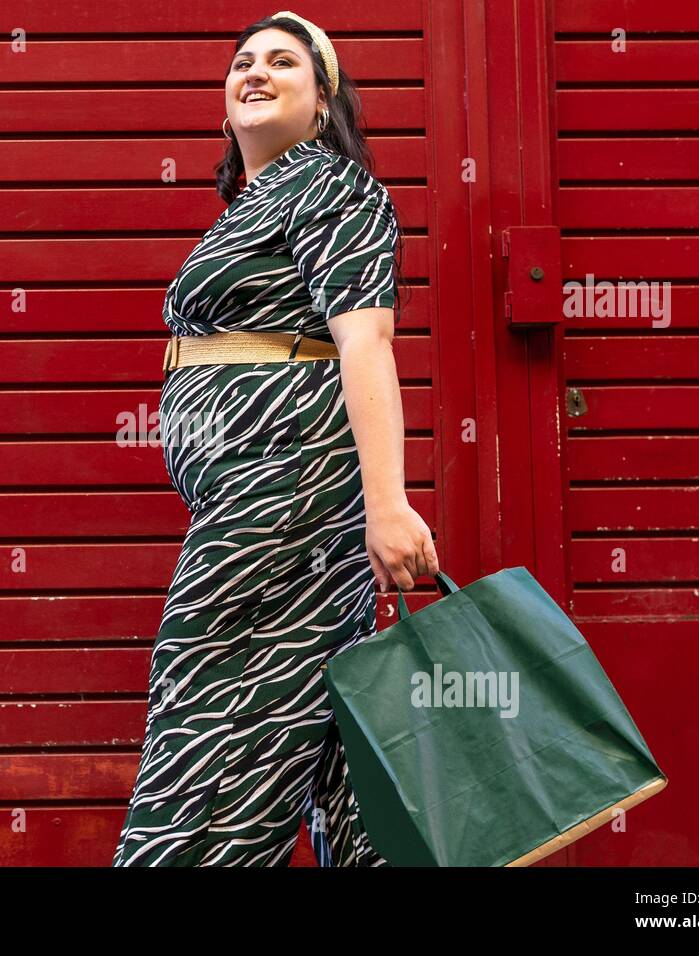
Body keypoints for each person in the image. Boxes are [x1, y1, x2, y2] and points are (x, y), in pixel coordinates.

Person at [112, 11, 439, 867]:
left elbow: (366, 341)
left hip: (284, 490)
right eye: (243, 63)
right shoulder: (252, 206)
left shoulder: (332, 187)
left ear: (324, 98)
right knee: (321, 722)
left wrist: (388, 504)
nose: (255, 73)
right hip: (255, 492)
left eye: (284, 62)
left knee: (208, 703)